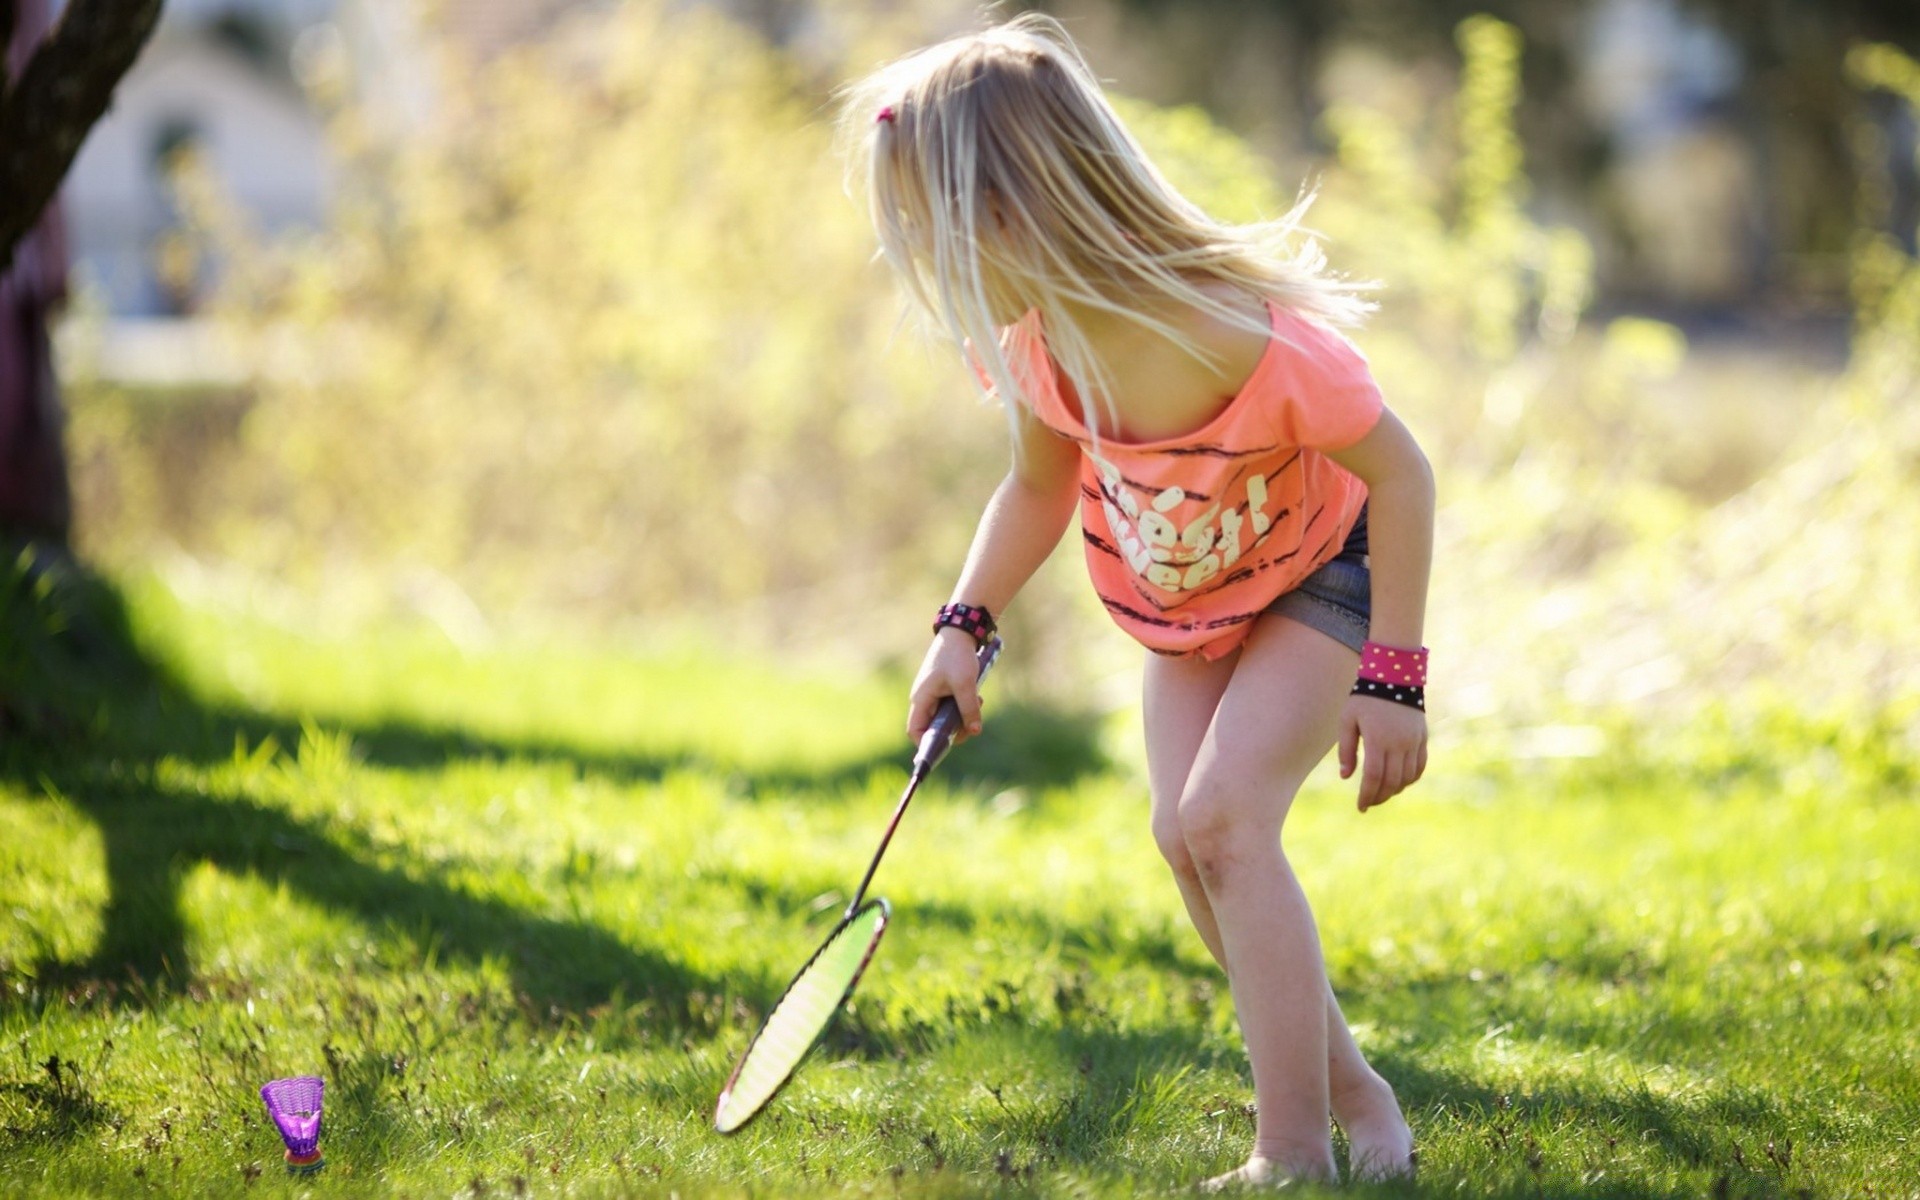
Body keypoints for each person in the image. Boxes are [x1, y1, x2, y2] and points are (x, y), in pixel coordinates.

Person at [839, 14, 1433, 1189]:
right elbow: (1035, 484)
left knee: (1224, 821)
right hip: (1186, 606)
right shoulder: (1037, 347)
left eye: (930, 228)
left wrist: (1395, 677)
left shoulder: (1240, 336)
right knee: (1185, 837)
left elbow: (1402, 476)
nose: (926, 258)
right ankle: (1363, 1109)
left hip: (1325, 575)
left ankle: (1293, 1153)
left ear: (1012, 210)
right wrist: (962, 627)